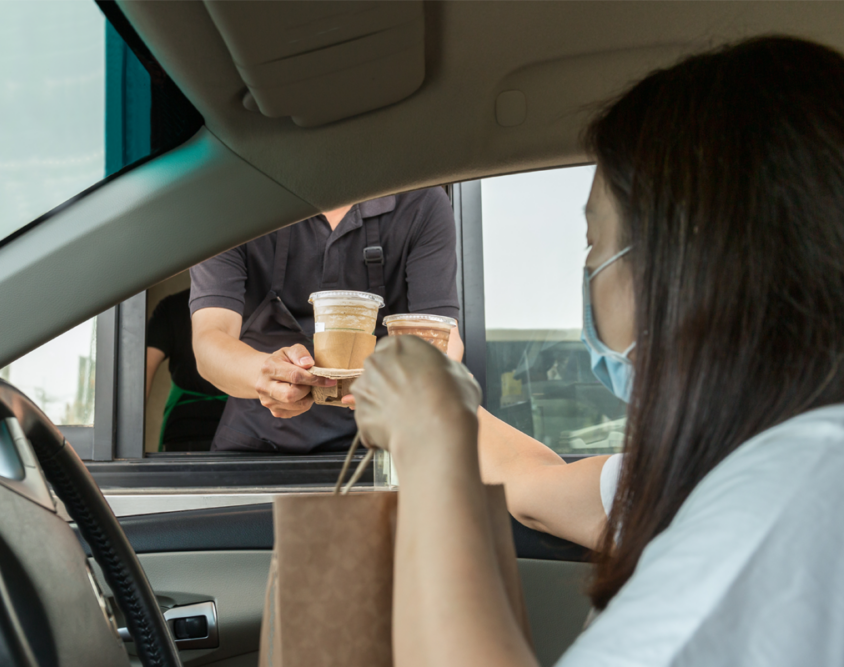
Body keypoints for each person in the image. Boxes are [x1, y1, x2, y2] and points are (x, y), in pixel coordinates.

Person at [351, 36, 844, 666]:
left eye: (594, 243)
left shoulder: (790, 495)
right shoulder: (726, 464)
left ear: (681, 268)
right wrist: (437, 401)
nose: (587, 274)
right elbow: (534, 486)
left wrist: (429, 440)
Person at [190, 190, 463, 453]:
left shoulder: (421, 201)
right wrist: (265, 373)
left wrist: (421, 380)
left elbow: (442, 337)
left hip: (384, 445)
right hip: (256, 443)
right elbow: (210, 340)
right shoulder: (232, 204)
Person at [145, 289, 227, 451]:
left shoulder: (172, 305)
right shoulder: (255, 303)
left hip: (182, 430)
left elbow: (141, 373)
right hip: (237, 428)